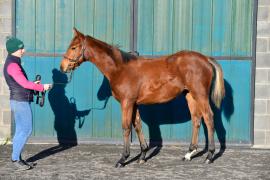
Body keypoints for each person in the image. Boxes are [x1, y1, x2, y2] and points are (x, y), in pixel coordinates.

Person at [3, 37, 52, 171]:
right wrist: (42, 87)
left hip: (18, 100)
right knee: (26, 130)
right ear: (14, 50)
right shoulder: (13, 65)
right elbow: (24, 84)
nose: (23, 50)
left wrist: (33, 85)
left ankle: (17, 158)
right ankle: (15, 159)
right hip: (20, 101)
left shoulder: (13, 62)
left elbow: (21, 82)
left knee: (20, 130)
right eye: (21, 48)